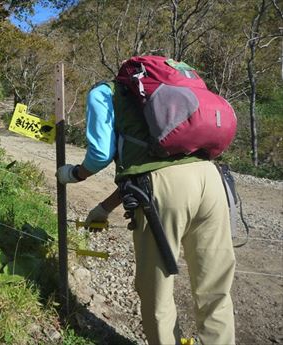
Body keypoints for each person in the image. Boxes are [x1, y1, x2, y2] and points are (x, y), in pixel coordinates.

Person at [56, 68, 236, 344]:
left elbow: (102, 155)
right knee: (215, 289)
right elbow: (146, 172)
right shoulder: (169, 93)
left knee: (157, 290)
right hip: (212, 180)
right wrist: (104, 208)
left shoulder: (104, 92)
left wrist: (74, 174)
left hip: (162, 192)